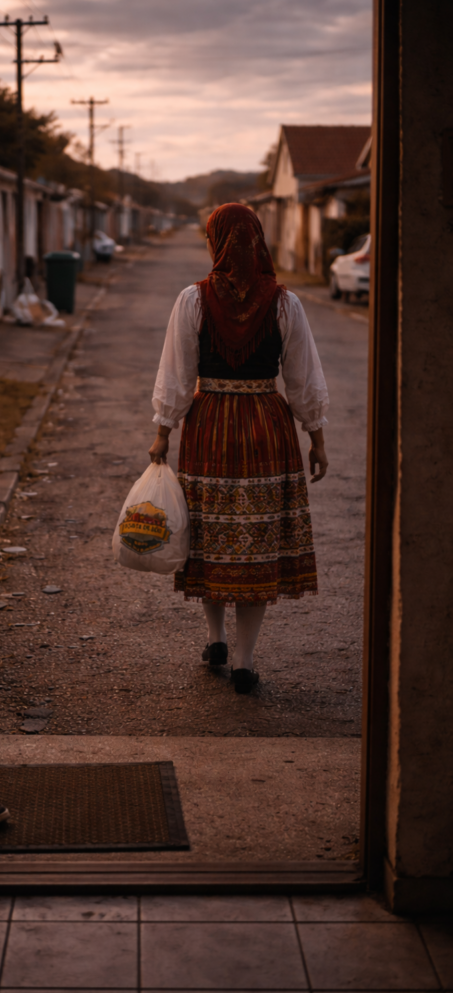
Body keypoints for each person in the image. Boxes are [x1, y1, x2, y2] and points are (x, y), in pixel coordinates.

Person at [149, 204, 329, 694]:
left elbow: (178, 373)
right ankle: (245, 661)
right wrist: (316, 436)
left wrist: (164, 431)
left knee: (209, 536)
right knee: (258, 542)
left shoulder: (194, 300)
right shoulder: (285, 302)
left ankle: (216, 639)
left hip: (209, 426)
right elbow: (303, 377)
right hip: (267, 428)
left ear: (216, 242)